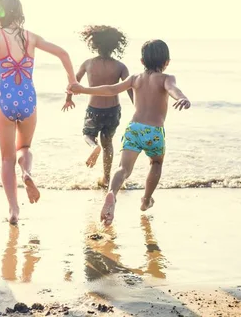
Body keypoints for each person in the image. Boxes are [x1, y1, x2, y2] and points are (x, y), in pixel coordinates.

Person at [0, 0, 77, 224]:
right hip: (28, 100)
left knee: (6, 159)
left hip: (5, 99)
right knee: (24, 146)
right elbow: (63, 53)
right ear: (20, 13)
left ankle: (14, 210)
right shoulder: (31, 37)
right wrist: (71, 82)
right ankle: (27, 174)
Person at [69, 39, 190, 225]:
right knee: (156, 163)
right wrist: (181, 98)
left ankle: (112, 193)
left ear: (142, 61)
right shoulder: (166, 78)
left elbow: (110, 89)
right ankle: (146, 200)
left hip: (134, 128)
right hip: (154, 131)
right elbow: (173, 90)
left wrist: (84, 89)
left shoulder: (135, 78)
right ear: (167, 62)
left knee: (123, 169)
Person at [62, 25, 133, 187]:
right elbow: (130, 88)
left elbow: (73, 83)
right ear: (115, 46)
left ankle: (94, 146)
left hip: (94, 110)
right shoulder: (120, 66)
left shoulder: (88, 63)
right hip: (113, 111)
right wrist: (138, 106)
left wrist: (68, 98)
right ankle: (107, 178)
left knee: (87, 135)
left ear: (95, 44)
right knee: (108, 144)